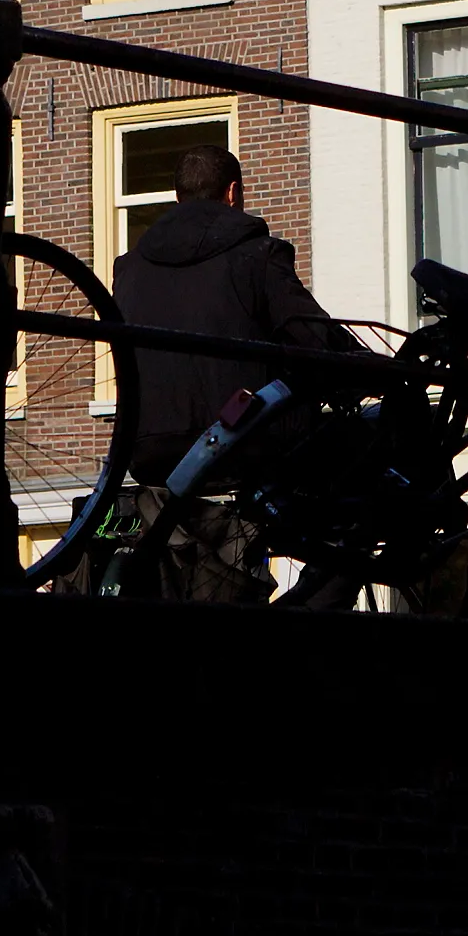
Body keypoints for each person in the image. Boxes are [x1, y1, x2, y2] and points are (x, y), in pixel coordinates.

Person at [105, 141, 344, 600]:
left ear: (176, 199)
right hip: (243, 444)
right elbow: (315, 337)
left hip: (151, 451)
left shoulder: (128, 268)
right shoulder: (258, 254)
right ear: (233, 193)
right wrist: (373, 370)